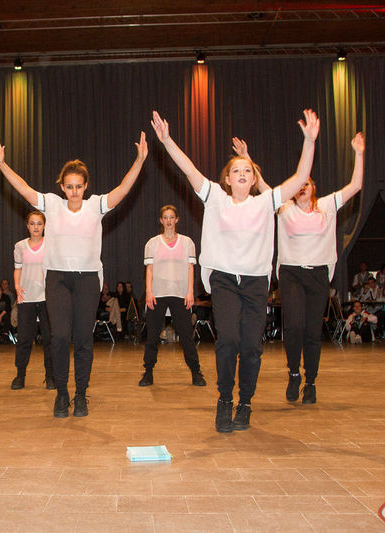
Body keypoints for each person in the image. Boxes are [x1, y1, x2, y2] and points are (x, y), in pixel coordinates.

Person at [151, 108, 318, 433]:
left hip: (255, 283)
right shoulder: (215, 197)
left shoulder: (266, 201)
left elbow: (300, 179)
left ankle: (245, 403)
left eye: (247, 170)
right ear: (227, 179)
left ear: (253, 179)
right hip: (224, 280)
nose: (242, 174)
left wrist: (309, 141)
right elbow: (189, 169)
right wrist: (167, 140)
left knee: (251, 347)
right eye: (236, 170)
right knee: (227, 340)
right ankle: (225, 399)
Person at [0, 132, 147, 417]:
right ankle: (62, 394)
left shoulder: (95, 205)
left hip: (88, 279)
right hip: (57, 279)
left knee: (84, 338)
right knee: (60, 337)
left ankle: (81, 395)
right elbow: (24, 189)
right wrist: (2, 164)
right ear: (62, 187)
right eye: (69, 186)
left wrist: (139, 160)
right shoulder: (52, 204)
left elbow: (123, 189)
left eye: (79, 186)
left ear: (85, 186)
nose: (74, 191)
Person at [272, 131, 364, 405]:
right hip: (291, 273)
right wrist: (249, 159)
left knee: (313, 331)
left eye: (307, 184)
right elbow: (263, 188)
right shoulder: (284, 208)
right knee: (295, 326)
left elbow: (356, 186)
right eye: (299, 185)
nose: (303, 188)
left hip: (318, 274)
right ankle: (293, 373)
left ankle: (310, 381)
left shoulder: (327, 206)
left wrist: (359, 154)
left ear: (313, 188)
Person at [138, 205, 206, 387]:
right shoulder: (152, 243)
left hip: (180, 294)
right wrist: (149, 291)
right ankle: (148, 372)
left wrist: (190, 291)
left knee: (186, 336)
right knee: (152, 337)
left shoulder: (187, 242)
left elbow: (190, 268)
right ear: (161, 220)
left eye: (171, 217)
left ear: (177, 219)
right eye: (165, 217)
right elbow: (149, 269)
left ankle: (196, 372)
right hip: (157, 294)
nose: (168, 220)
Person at [11, 210, 54, 390]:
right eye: (32, 223)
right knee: (24, 339)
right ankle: (20, 376)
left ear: (44, 226)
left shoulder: (51, 244)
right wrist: (17, 286)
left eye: (39, 223)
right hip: (26, 297)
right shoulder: (20, 246)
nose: (36, 227)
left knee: (49, 339)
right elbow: (18, 268)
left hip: (47, 298)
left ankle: (50, 377)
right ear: (27, 226)